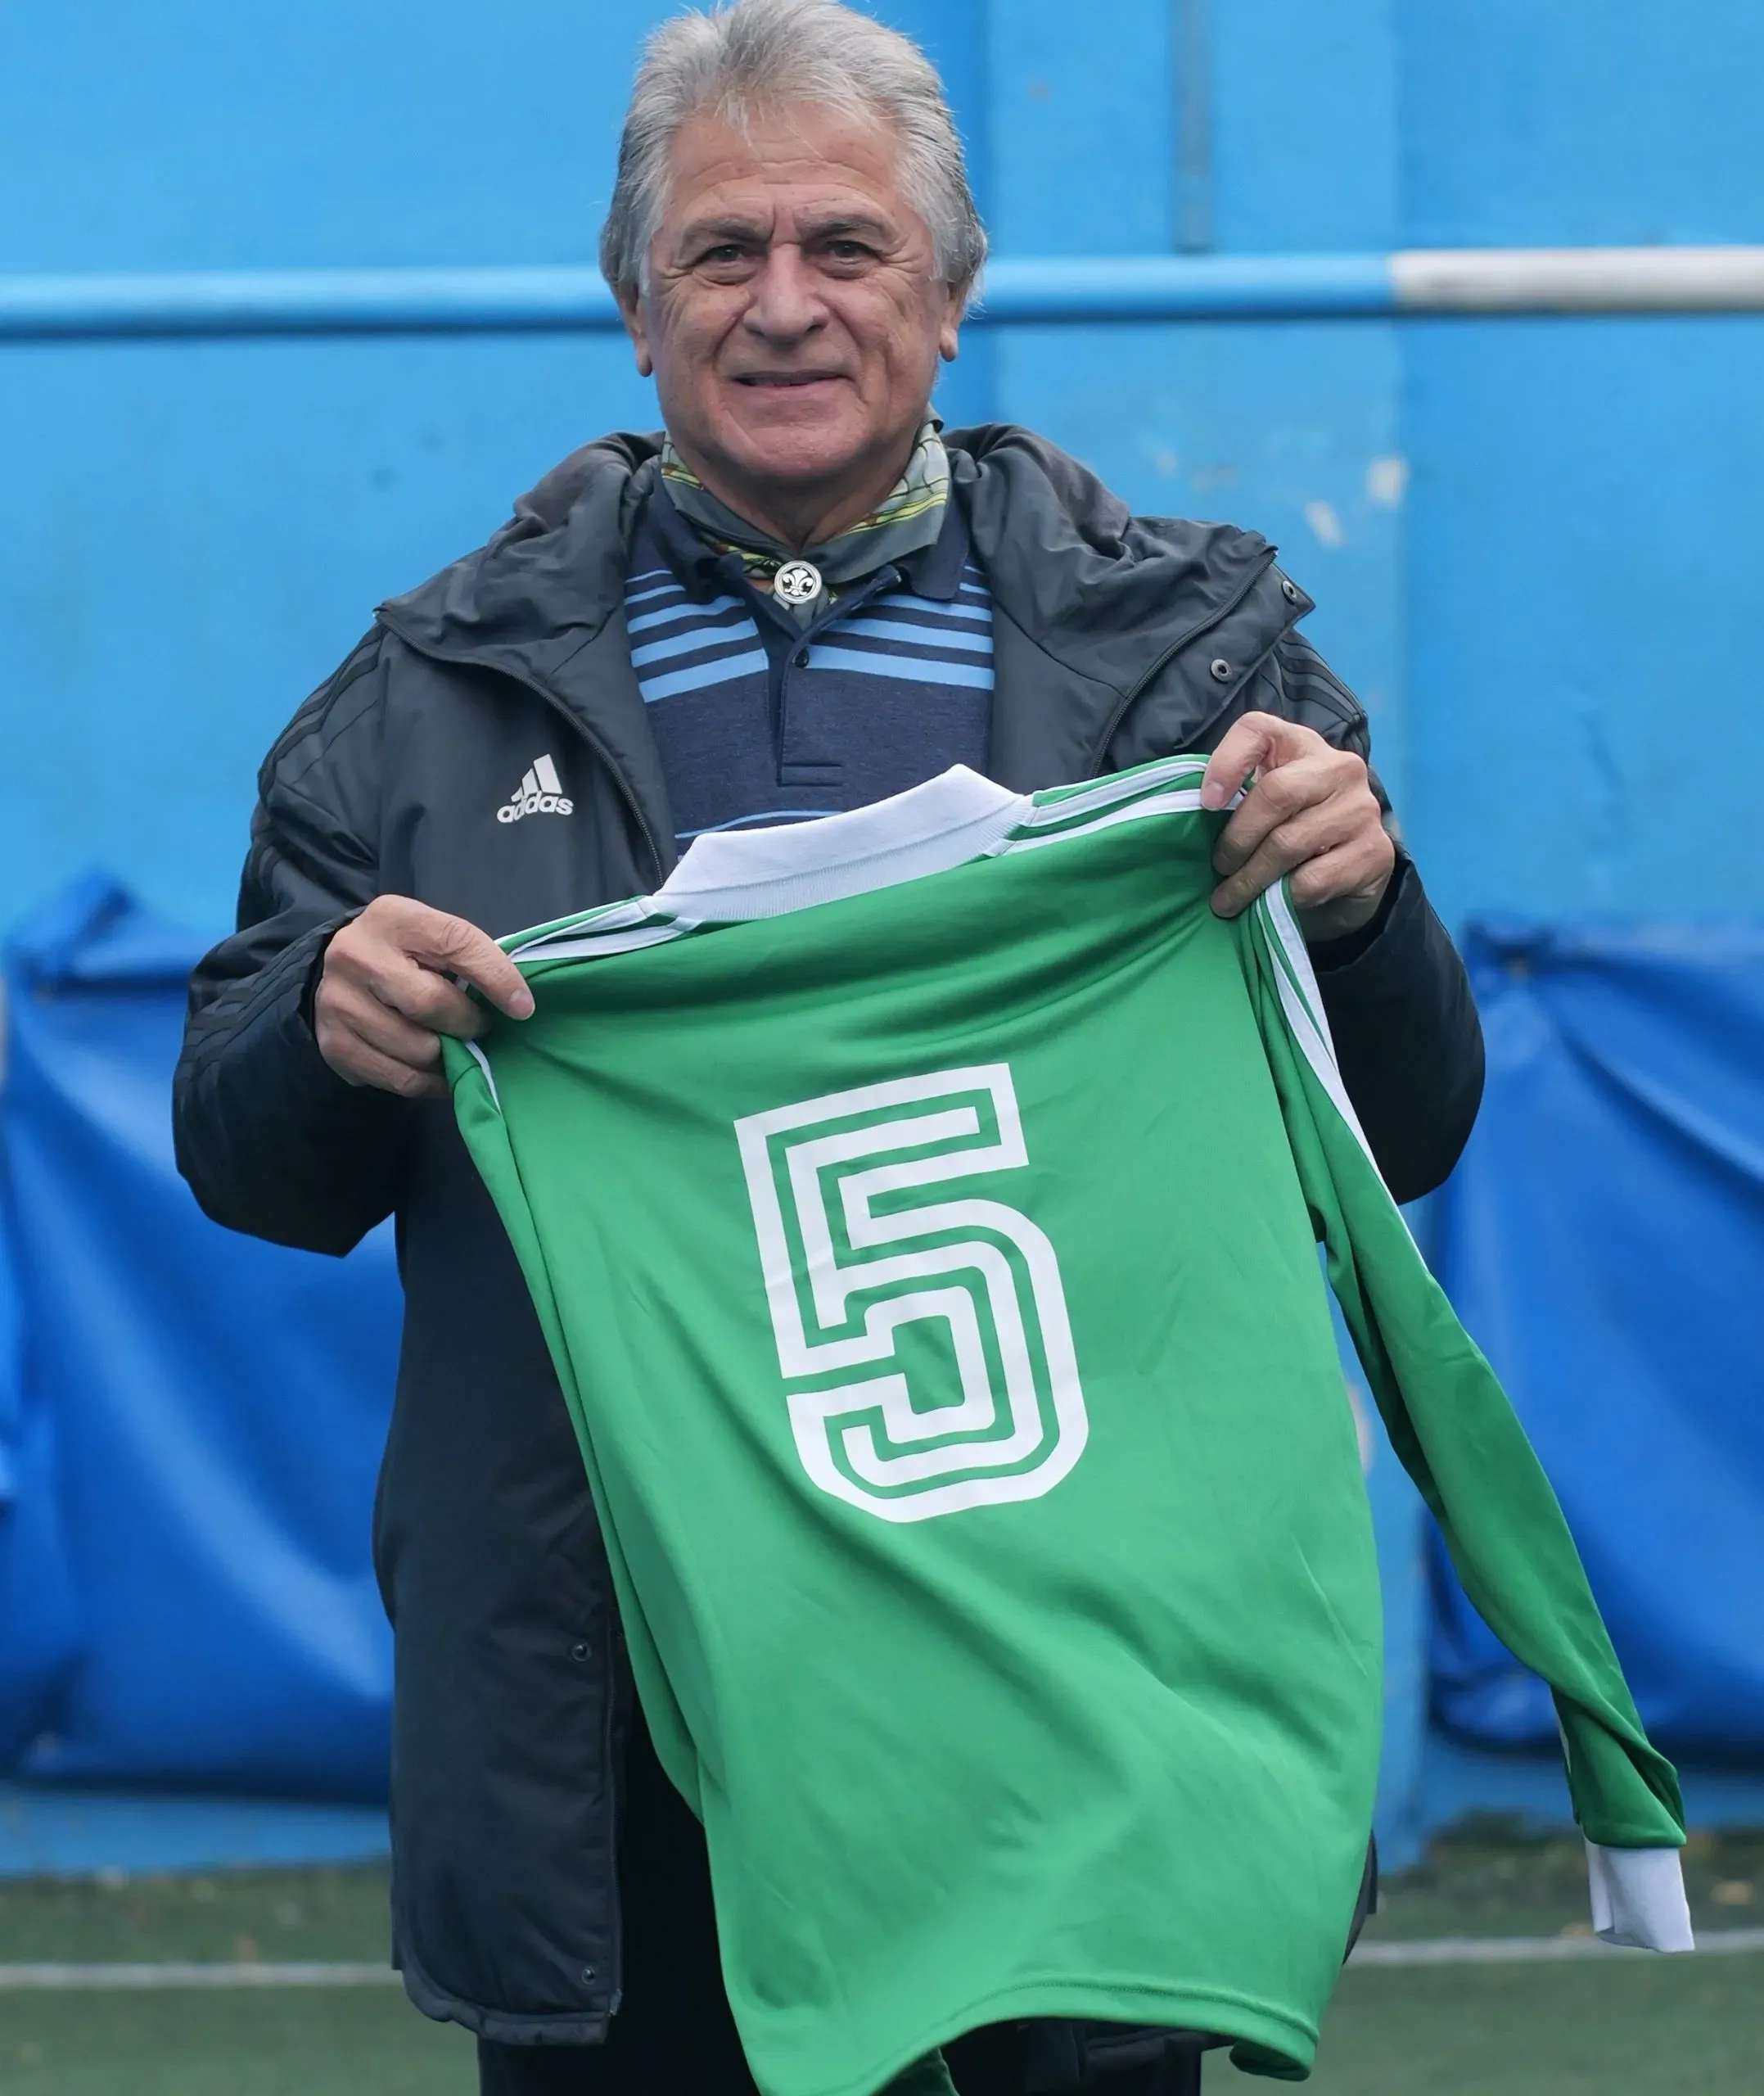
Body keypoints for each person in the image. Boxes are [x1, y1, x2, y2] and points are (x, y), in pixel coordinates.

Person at [173, 3, 1482, 2091]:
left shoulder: (1180, 662)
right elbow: (244, 1158)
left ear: (951, 297)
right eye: (721, 250)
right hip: (623, 1730)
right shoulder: (427, 691)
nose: (784, 304)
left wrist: (1362, 908)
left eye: (848, 249)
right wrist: (322, 1032)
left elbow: (1407, 1121)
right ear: (634, 305)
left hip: (1070, 1689)